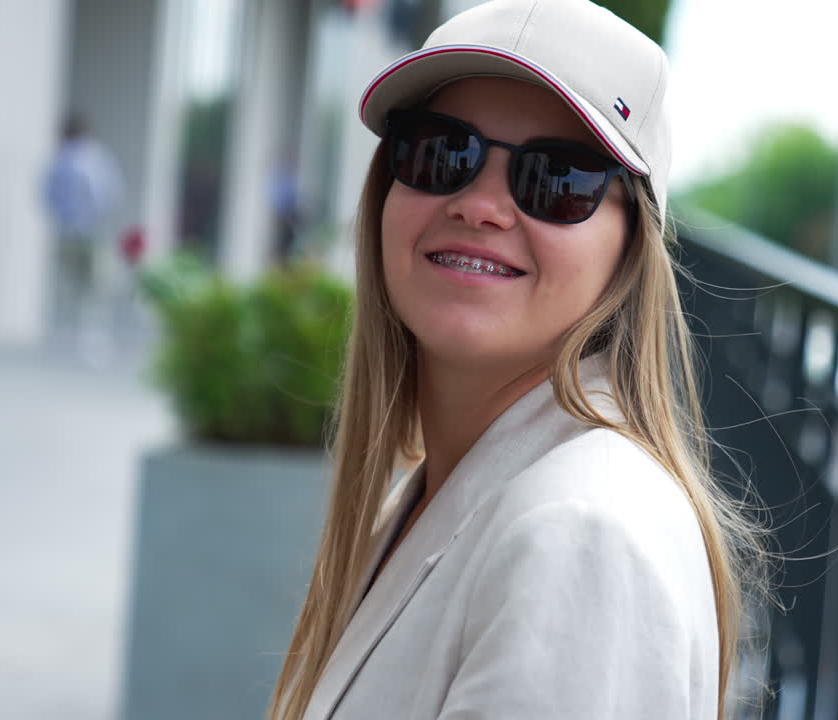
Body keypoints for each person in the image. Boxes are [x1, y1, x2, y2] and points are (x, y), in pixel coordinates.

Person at [269, 1, 767, 718]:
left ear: (630, 248)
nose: (480, 206)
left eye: (556, 179)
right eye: (440, 152)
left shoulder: (581, 536)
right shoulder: (442, 489)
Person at [42, 111, 123, 363]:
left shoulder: (71, 159)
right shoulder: (87, 158)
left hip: (76, 230)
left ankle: (77, 335)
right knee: (88, 285)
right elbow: (111, 191)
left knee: (80, 283)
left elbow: (47, 193)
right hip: (85, 230)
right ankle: (83, 336)